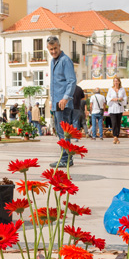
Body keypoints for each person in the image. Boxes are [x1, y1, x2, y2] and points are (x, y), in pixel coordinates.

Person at [48, 36, 76, 167]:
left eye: (55, 48)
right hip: (56, 103)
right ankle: (65, 157)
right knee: (60, 131)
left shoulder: (65, 60)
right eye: (51, 49)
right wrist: (52, 100)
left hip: (63, 103)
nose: (53, 51)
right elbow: (54, 83)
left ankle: (66, 159)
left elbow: (71, 81)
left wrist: (65, 98)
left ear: (59, 46)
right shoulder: (53, 62)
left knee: (64, 132)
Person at [106, 76, 127, 144]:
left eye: (117, 81)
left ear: (119, 82)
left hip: (119, 108)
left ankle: (116, 137)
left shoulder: (122, 89)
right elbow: (108, 98)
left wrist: (122, 99)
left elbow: (125, 97)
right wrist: (113, 99)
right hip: (112, 108)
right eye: (114, 81)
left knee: (118, 123)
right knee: (114, 123)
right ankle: (115, 136)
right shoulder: (110, 89)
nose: (116, 82)